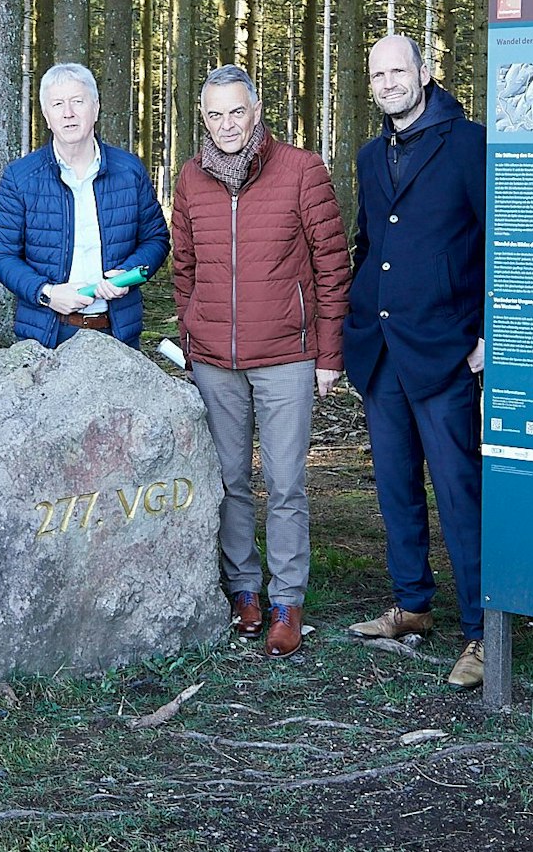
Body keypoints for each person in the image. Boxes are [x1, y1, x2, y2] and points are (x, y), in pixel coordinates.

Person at [172, 64, 351, 658]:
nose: (227, 125)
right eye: (215, 114)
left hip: (287, 356)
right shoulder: (191, 179)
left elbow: (332, 265)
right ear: (204, 118)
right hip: (215, 360)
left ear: (256, 113)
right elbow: (184, 268)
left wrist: (329, 354)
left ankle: (287, 599)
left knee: (285, 481)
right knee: (229, 481)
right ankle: (244, 588)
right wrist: (195, 334)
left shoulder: (301, 169)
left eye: (236, 112)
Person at [342, 34, 489, 689]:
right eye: (378, 73)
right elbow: (370, 241)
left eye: (398, 69)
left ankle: (484, 631)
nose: (388, 81)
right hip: (382, 349)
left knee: (460, 492)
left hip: (446, 348)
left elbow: (497, 239)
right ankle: (411, 604)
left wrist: (488, 333)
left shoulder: (468, 144)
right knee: (395, 484)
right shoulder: (371, 154)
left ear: (425, 73)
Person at [0, 63, 169, 347]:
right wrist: (46, 292)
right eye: (57, 104)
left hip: (117, 332)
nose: (68, 112)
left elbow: (156, 239)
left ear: (95, 108)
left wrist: (129, 273)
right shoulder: (20, 177)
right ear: (47, 116)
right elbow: (2, 255)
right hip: (47, 334)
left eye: (77, 101)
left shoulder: (129, 170)